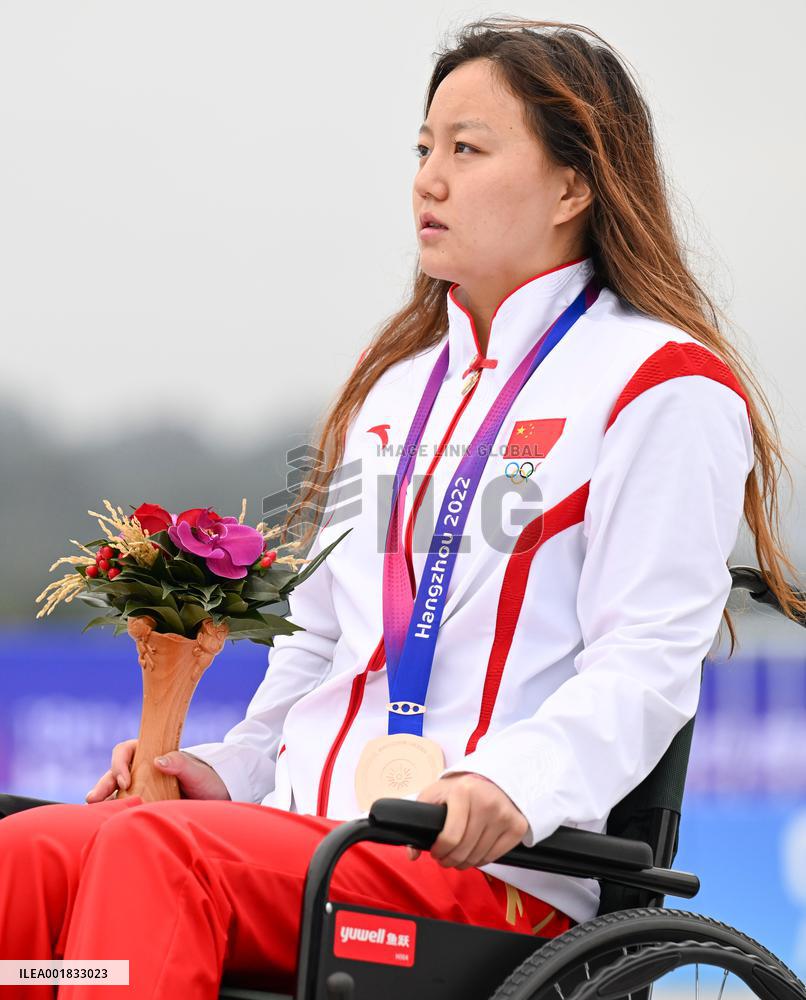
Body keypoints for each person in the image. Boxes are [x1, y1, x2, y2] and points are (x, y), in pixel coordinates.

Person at [1, 16, 803, 1000]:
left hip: (485, 872)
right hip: (309, 842)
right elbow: (320, 646)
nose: (427, 178)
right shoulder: (392, 393)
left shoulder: (663, 387)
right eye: (423, 149)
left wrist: (507, 782)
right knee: (31, 851)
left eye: (466, 149)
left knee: (156, 854)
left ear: (572, 184)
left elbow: (645, 657)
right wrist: (222, 769)